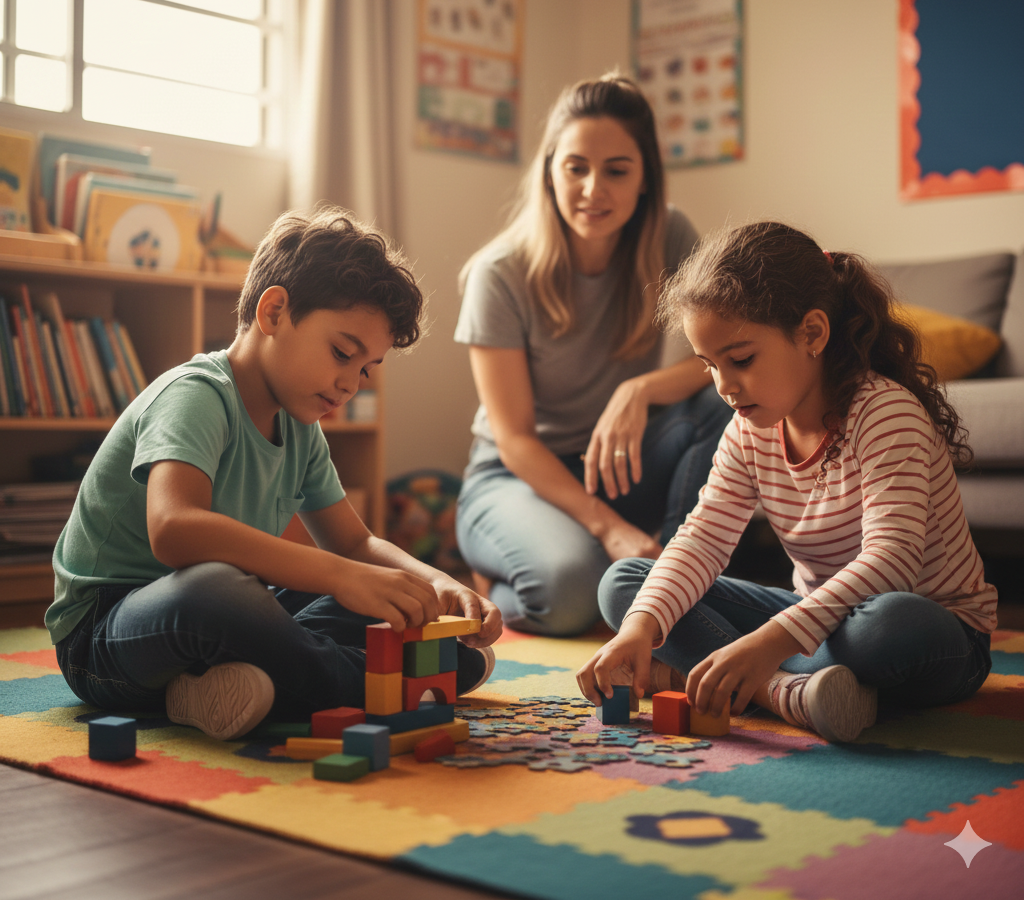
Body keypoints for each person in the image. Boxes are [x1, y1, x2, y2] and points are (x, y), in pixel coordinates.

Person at [47, 208, 501, 740]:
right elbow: (174, 530)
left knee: (390, 604)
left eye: (364, 369)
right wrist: (342, 576)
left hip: (227, 622)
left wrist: (437, 585)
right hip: (108, 635)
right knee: (220, 590)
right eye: (342, 353)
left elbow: (354, 543)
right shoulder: (195, 395)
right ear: (274, 311)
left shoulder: (300, 425)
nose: (351, 384)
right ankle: (392, 683)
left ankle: (234, 687)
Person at [577, 221, 997, 742]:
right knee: (627, 586)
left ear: (812, 334)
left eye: (741, 360)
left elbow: (892, 562)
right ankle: (782, 691)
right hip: (814, 622)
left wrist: (767, 642)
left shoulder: (885, 412)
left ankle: (740, 675)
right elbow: (702, 539)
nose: (724, 386)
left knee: (888, 626)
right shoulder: (748, 430)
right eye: (709, 366)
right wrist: (640, 629)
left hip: (935, 631)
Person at [454, 74, 733, 637]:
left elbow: (719, 357)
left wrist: (639, 389)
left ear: (646, 178)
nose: (592, 189)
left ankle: (673, 582)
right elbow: (515, 440)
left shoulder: (672, 234)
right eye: (576, 168)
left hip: (618, 463)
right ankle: (501, 579)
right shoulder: (499, 273)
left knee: (723, 404)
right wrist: (606, 527)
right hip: (516, 476)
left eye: (616, 171)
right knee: (570, 594)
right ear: (550, 171)